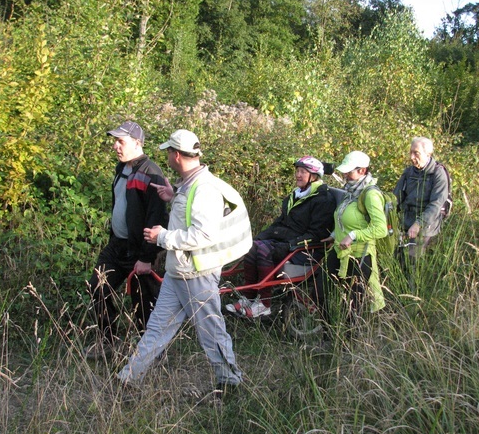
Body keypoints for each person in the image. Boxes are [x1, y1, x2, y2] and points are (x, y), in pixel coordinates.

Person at [117, 129, 243, 397]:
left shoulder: (204, 189)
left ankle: (230, 383)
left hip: (197, 274)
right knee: (157, 328)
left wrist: (161, 236)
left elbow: (204, 234)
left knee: (211, 331)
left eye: (168, 153)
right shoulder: (188, 184)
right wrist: (172, 197)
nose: (167, 157)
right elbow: (191, 216)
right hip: (178, 273)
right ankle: (127, 379)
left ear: (176, 155)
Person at [85, 121, 169, 359]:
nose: (115, 146)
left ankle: (151, 354)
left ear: (136, 143)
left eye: (120, 141)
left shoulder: (151, 172)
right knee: (96, 286)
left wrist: (146, 257)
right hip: (117, 245)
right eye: (115, 141)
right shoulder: (121, 168)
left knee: (142, 303)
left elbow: (158, 217)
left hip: (139, 250)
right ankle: (107, 343)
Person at [225, 156, 336, 318]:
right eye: (297, 171)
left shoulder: (323, 199)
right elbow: (281, 222)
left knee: (263, 250)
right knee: (252, 246)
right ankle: (248, 297)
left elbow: (318, 234)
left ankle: (264, 304)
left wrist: (291, 245)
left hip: (304, 251)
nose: (298, 175)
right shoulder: (297, 195)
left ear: (314, 176)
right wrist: (259, 237)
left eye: (303, 172)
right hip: (286, 243)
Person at [317, 150, 388, 325]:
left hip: (359, 256)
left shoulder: (370, 194)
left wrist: (353, 236)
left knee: (354, 306)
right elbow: (345, 219)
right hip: (340, 252)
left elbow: (380, 229)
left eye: (349, 171)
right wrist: (335, 235)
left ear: (362, 171)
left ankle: (349, 344)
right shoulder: (351, 191)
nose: (344, 175)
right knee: (320, 291)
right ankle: (328, 332)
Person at [393, 137, 449, 262]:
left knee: (412, 261)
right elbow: (396, 197)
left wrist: (418, 224)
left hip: (426, 225)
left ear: (428, 154)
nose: (412, 157)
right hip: (406, 220)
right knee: (397, 258)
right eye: (411, 152)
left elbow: (436, 204)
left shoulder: (438, 173)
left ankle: (412, 281)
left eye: (416, 153)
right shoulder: (409, 172)